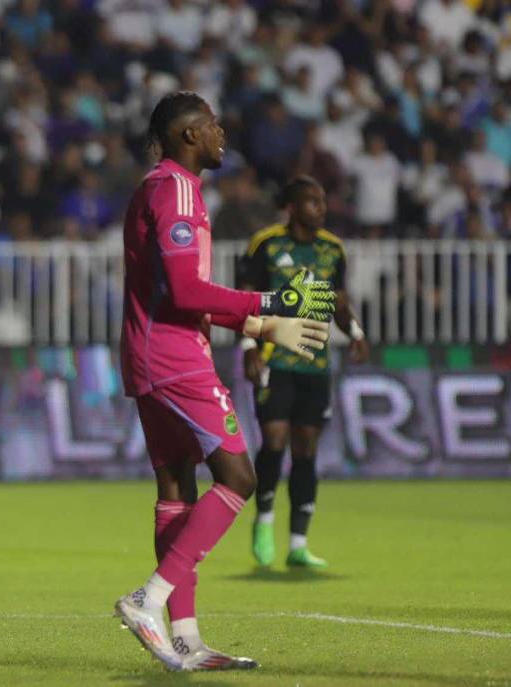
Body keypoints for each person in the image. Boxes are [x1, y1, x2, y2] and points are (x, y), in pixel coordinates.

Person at [113, 92, 336, 671]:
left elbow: (177, 289)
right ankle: (149, 598)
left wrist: (263, 325)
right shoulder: (177, 189)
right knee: (240, 475)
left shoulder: (156, 187)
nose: (222, 134)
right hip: (174, 355)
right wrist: (276, 299)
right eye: (213, 124)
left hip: (148, 353)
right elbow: (187, 293)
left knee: (177, 493)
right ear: (188, 134)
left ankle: (184, 641)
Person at [240, 176, 370, 569]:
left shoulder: (333, 249)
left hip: (315, 361)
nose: (321, 207)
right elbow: (245, 298)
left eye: (323, 200)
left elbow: (339, 301)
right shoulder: (266, 244)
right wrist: (249, 348)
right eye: (312, 201)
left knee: (306, 446)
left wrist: (357, 333)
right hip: (274, 356)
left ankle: (298, 542)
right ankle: (263, 522)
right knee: (275, 438)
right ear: (292, 207)